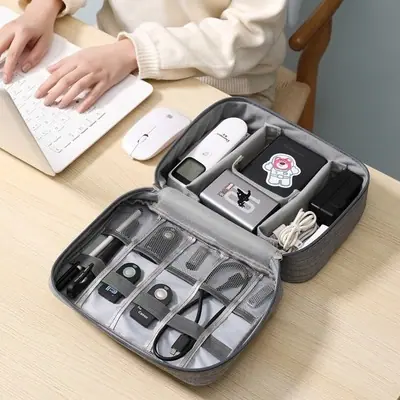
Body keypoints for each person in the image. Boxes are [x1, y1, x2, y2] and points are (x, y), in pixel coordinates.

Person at [0, 0, 287, 113]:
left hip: (215, 84)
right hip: (108, 53)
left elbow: (248, 35)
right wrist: (45, 6)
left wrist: (132, 52)